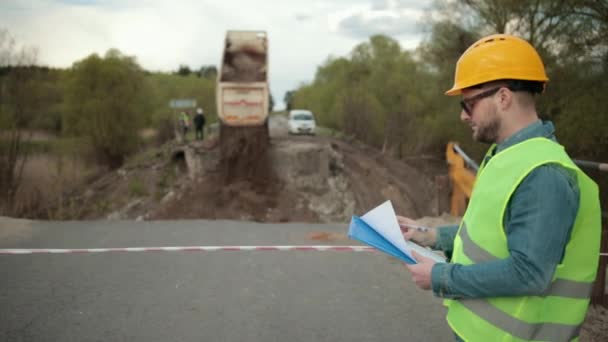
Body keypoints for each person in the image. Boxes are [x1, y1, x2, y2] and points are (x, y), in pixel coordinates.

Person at [399, 34, 601, 342]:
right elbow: (489, 232)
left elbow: (529, 273)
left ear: (503, 98)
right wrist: (430, 236)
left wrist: (440, 277)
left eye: (468, 103)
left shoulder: (544, 175)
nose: (463, 115)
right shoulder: (505, 156)